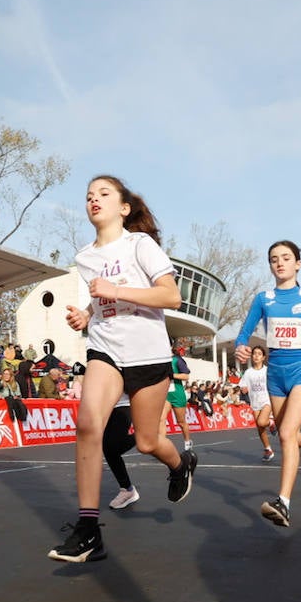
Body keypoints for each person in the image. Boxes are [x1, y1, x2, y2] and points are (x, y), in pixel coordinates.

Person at [49, 174, 196, 563]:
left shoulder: (139, 244)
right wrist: (86, 314)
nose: (93, 200)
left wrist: (114, 291)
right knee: (87, 423)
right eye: (88, 196)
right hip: (106, 349)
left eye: (103, 194)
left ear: (123, 207)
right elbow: (101, 303)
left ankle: (180, 463)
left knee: (147, 442)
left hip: (147, 354)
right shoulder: (84, 257)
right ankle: (88, 529)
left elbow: (171, 296)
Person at [234, 239, 301, 527]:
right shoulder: (263, 299)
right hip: (275, 375)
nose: (279, 263)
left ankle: (283, 502)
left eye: (285, 257)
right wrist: (241, 346)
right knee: (289, 434)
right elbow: (245, 331)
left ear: (298, 263)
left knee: (284, 434)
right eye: (273, 259)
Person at [237, 344, 275, 461]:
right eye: (254, 354)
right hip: (255, 402)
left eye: (259, 354)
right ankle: (268, 449)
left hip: (266, 400)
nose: (256, 356)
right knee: (260, 427)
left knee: (262, 421)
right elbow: (242, 385)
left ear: (263, 357)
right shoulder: (248, 372)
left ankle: (271, 423)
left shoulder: (268, 371)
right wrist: (243, 388)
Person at [164, 343, 193, 450]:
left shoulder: (177, 360)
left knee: (181, 422)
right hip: (165, 395)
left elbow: (186, 376)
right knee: (161, 420)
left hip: (177, 394)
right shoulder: (161, 361)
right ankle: (162, 445)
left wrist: (172, 375)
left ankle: (187, 442)